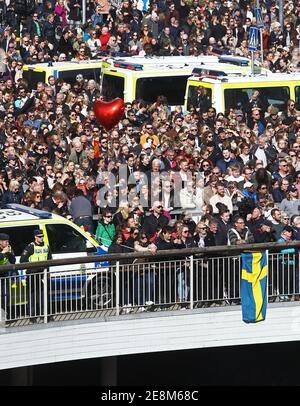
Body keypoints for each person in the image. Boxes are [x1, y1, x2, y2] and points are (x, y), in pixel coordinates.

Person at [20, 229, 52, 323]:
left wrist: (48, 272)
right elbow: (22, 260)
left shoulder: (46, 246)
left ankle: (44, 315)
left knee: (44, 295)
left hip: (43, 275)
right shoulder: (30, 247)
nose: (41, 238)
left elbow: (50, 260)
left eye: (42, 236)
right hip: (32, 275)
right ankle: (32, 317)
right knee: (32, 296)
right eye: (39, 236)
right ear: (35, 237)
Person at [0, 233, 17, 320]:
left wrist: (10, 253)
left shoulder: (9, 249)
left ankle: (3, 316)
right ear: (0, 242)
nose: (7, 243)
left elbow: (13, 261)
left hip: (4, 277)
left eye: (8, 241)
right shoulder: (2, 251)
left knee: (5, 297)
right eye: (6, 242)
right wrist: (2, 253)